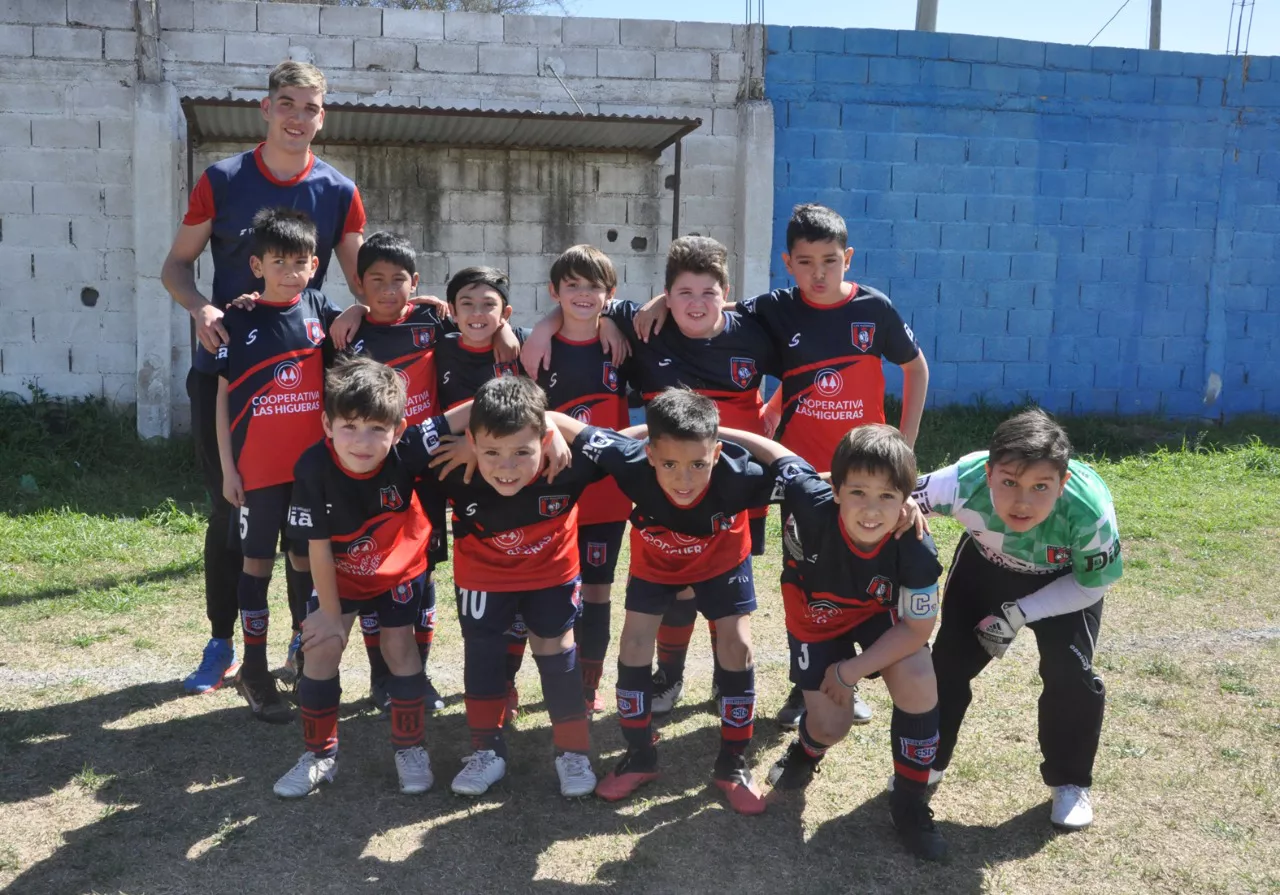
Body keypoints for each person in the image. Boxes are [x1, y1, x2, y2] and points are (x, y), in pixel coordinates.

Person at [634, 203, 931, 730]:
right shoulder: (776, 308)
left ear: (848, 258)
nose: (818, 273)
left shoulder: (874, 308)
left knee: (859, 579)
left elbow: (916, 369)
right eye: (805, 262)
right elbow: (714, 300)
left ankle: (844, 680)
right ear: (787, 263)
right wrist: (663, 298)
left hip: (865, 477)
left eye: (830, 261)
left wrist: (902, 457)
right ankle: (803, 686)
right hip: (800, 476)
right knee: (804, 578)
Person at [162, 60, 366, 697]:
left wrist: (406, 308)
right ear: (266, 107)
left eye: (310, 108)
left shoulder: (338, 190)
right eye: (287, 104)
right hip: (229, 377)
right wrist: (201, 309)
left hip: (305, 385)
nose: (297, 118)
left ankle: (302, 641)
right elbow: (175, 267)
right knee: (231, 510)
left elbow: (367, 284)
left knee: (308, 521)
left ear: (322, 117)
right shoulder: (222, 179)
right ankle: (223, 641)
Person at [524, 236, 778, 719]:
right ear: (665, 294)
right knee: (678, 588)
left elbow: (799, 365)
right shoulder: (643, 328)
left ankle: (726, 682)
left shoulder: (753, 330)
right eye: (683, 293)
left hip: (732, 482)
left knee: (724, 589)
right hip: (668, 483)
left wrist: (773, 412)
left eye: (708, 293)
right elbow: (583, 302)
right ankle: (670, 676)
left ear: (725, 293)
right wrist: (541, 329)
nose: (696, 304)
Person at [720, 423, 948, 860]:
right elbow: (775, 452)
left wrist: (849, 671)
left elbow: (917, 629)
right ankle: (806, 751)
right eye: (858, 492)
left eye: (887, 496)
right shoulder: (810, 498)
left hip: (875, 614)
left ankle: (909, 805)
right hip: (814, 618)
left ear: (906, 500)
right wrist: (716, 431)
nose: (871, 509)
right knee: (830, 726)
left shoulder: (916, 546)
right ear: (836, 489)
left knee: (919, 676)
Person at [548, 389, 781, 815]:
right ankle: (640, 756)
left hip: (722, 558)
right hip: (658, 559)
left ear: (716, 454)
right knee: (634, 642)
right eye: (669, 464)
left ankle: (732, 762)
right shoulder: (627, 459)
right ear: (649, 454)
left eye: (698, 464)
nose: (684, 479)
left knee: (737, 644)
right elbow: (560, 421)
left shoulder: (745, 475)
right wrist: (548, 425)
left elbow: (815, 479)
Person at [913, 408, 1123, 831]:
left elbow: (1093, 585)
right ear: (988, 474)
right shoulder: (960, 481)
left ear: (1063, 482)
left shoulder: (1090, 511)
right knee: (946, 666)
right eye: (1009, 482)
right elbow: (892, 502)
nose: (1023, 502)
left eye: (1040, 486)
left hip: (1064, 581)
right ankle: (928, 761)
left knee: (1070, 673)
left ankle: (1070, 781)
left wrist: (1020, 613)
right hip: (986, 565)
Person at [274, 355, 464, 797]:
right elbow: (317, 546)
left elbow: (474, 409)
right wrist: (329, 615)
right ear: (327, 424)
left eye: (377, 428)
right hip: (339, 571)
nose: (362, 441)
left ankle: (410, 748)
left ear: (398, 429)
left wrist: (543, 429)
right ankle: (319, 756)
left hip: (399, 567)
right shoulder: (312, 466)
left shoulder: (408, 448)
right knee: (322, 648)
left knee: (399, 647)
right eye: (350, 426)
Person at [432, 376, 599, 798]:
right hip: (483, 575)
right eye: (492, 452)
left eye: (521, 453)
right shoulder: (451, 462)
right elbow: (400, 442)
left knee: (556, 648)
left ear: (544, 441)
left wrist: (554, 424)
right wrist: (471, 445)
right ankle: (486, 751)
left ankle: (573, 752)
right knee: (483, 650)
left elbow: (630, 445)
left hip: (551, 572)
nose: (506, 468)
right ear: (472, 440)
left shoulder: (569, 459)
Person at [214, 208, 341, 723]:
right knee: (256, 566)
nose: (290, 272)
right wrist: (228, 469)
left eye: (300, 262)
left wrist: (423, 303)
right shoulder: (237, 319)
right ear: (257, 265)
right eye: (279, 262)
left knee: (306, 563)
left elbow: (374, 316)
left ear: (315, 264)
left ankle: (302, 658)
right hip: (258, 471)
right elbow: (222, 401)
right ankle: (254, 670)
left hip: (310, 472)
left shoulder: (321, 309)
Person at [344, 232, 450, 715]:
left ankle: (416, 674)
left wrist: (506, 333)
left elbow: (484, 320)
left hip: (425, 470)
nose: (388, 290)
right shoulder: (346, 334)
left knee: (422, 574)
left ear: (415, 282)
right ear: (359, 283)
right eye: (377, 280)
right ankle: (380, 678)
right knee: (375, 571)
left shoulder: (434, 321)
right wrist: (350, 312)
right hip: (370, 470)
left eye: (398, 280)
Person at [531, 245, 633, 714]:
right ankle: (519, 682)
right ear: (554, 291)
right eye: (572, 285)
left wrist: (610, 319)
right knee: (544, 589)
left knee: (597, 591)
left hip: (606, 495)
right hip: (550, 488)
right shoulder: (534, 347)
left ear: (610, 293)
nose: (583, 294)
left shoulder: (622, 345)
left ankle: (588, 688)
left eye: (594, 286)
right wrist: (543, 327)